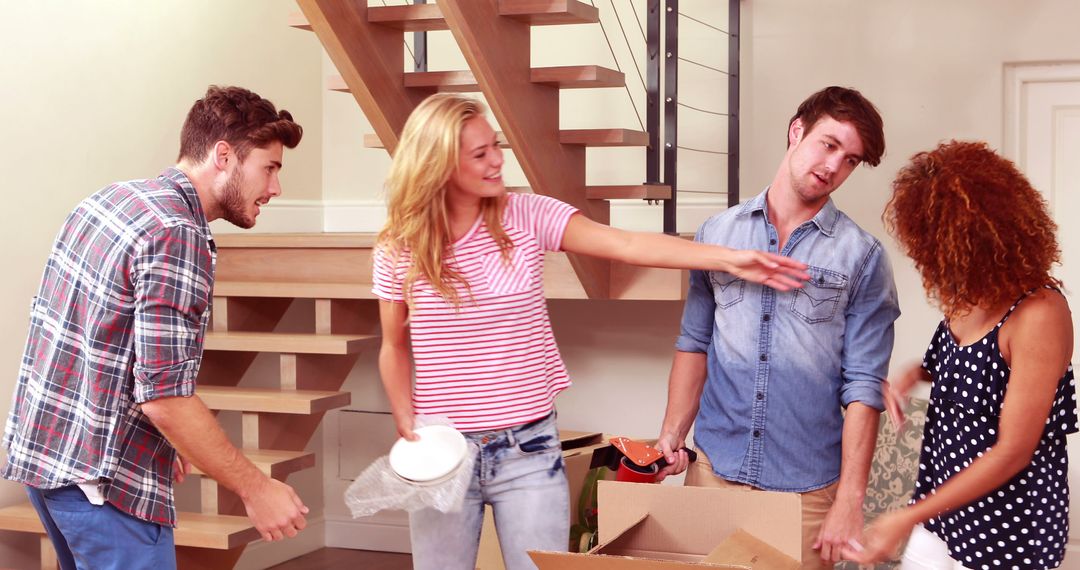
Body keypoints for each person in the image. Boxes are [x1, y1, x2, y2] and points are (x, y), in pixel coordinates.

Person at [372, 92, 810, 570]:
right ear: (440, 166)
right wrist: (405, 420)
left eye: (495, 145)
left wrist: (731, 258)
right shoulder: (400, 247)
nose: (498, 160)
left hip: (529, 451)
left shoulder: (527, 215)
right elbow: (394, 347)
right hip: (443, 452)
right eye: (480, 154)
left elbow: (624, 244)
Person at [3, 85, 310, 570]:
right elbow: (164, 397)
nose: (275, 189)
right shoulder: (177, 232)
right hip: (104, 487)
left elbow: (93, 340)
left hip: (49, 463)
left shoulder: (111, 200)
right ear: (224, 156)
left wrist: (172, 440)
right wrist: (257, 489)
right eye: (269, 168)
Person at [653, 86, 901, 569]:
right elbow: (695, 343)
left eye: (850, 160)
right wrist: (672, 433)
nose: (833, 167)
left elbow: (864, 387)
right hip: (712, 471)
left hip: (806, 491)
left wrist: (849, 502)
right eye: (828, 144)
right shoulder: (716, 235)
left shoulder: (863, 257)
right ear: (796, 130)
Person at [843, 141, 1076, 569]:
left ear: (986, 238)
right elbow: (967, 370)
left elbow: (1013, 451)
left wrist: (905, 517)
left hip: (1009, 527)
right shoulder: (967, 293)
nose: (929, 261)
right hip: (944, 507)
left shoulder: (1039, 314)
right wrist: (911, 375)